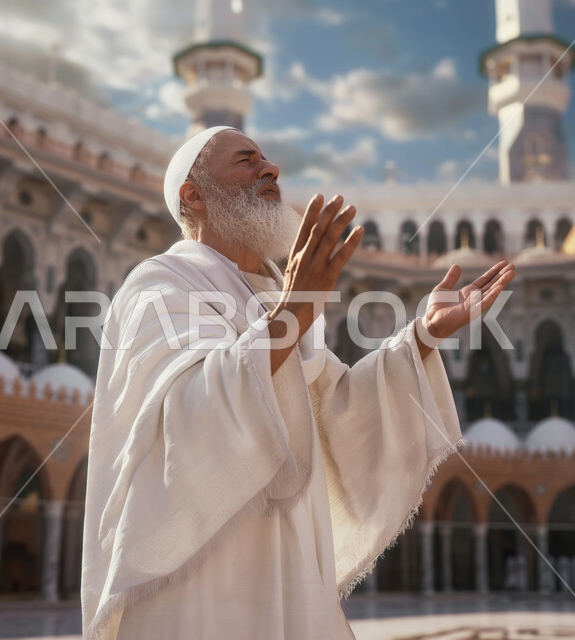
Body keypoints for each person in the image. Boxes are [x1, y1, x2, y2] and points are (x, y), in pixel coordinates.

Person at [81, 126, 516, 639]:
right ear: (192, 196)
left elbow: (340, 419)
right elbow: (181, 424)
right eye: (246, 160)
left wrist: (422, 335)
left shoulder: (271, 296)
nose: (271, 169)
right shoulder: (158, 285)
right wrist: (293, 311)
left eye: (266, 158)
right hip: (200, 582)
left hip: (290, 574)